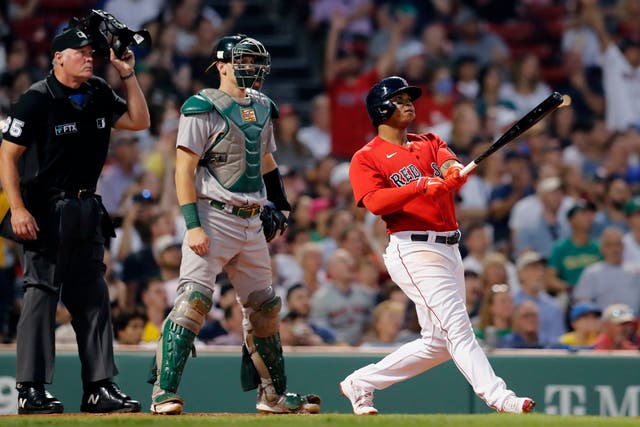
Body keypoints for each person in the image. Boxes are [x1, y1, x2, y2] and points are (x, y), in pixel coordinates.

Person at [340, 76, 535, 415]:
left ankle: (362, 382)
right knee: (458, 326)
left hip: (449, 247)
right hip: (412, 248)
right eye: (399, 99)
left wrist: (454, 172)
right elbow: (374, 202)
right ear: (381, 109)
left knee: (438, 344)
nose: (408, 103)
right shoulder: (366, 156)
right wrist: (418, 187)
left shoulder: (428, 141)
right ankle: (498, 396)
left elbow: (448, 163)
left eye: (409, 98)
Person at [148, 34, 320, 415]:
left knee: (266, 308)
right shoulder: (200, 106)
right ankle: (163, 392)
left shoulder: (262, 106)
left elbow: (269, 164)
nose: (252, 69)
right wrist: (191, 224)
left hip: (251, 220)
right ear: (222, 66)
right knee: (193, 301)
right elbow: (183, 170)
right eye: (243, 61)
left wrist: (282, 204)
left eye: (255, 62)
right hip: (212, 214)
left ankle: (272, 395)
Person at [0, 23, 150, 414]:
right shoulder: (36, 99)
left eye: (91, 53)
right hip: (45, 208)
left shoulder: (99, 91)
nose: (89, 58)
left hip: (87, 207)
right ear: (58, 58)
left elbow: (138, 121)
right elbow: (7, 155)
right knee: (41, 296)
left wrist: (128, 75)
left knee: (94, 298)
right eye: (80, 52)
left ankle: (99, 387)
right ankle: (30, 389)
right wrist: (17, 208)